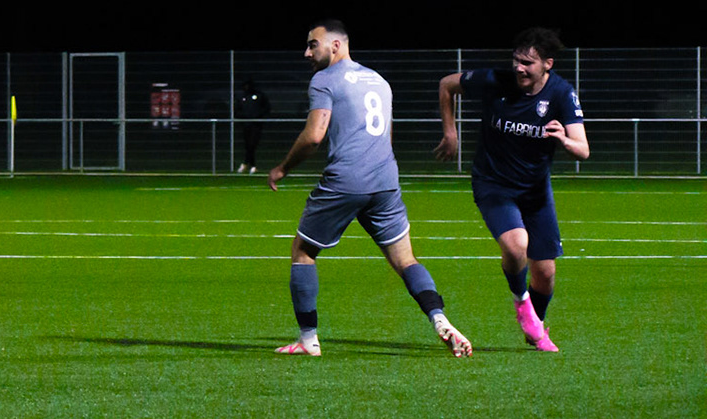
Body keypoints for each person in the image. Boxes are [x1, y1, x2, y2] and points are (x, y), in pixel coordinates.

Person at [268, 20, 472, 357]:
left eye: (312, 44)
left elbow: (315, 135)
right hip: (385, 180)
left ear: (335, 45)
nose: (307, 52)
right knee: (406, 259)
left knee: (303, 252)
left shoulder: (324, 80)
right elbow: (386, 137)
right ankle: (440, 319)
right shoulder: (378, 80)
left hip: (347, 180)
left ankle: (308, 341)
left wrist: (281, 168)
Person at [435, 27, 590, 352]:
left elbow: (583, 149)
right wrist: (450, 132)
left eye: (528, 63)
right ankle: (523, 308)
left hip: (535, 190)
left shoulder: (561, 93)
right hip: (494, 184)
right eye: (517, 60)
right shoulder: (496, 81)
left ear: (547, 64)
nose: (519, 68)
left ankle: (536, 325)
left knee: (545, 273)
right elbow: (447, 84)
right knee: (517, 245)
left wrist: (563, 140)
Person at [235, 78, 271, 173]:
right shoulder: (242, 97)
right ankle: (251, 165)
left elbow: (266, 108)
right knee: (248, 145)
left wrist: (258, 116)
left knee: (252, 144)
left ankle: (247, 164)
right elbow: (237, 110)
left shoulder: (259, 96)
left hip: (256, 124)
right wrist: (243, 117)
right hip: (246, 124)